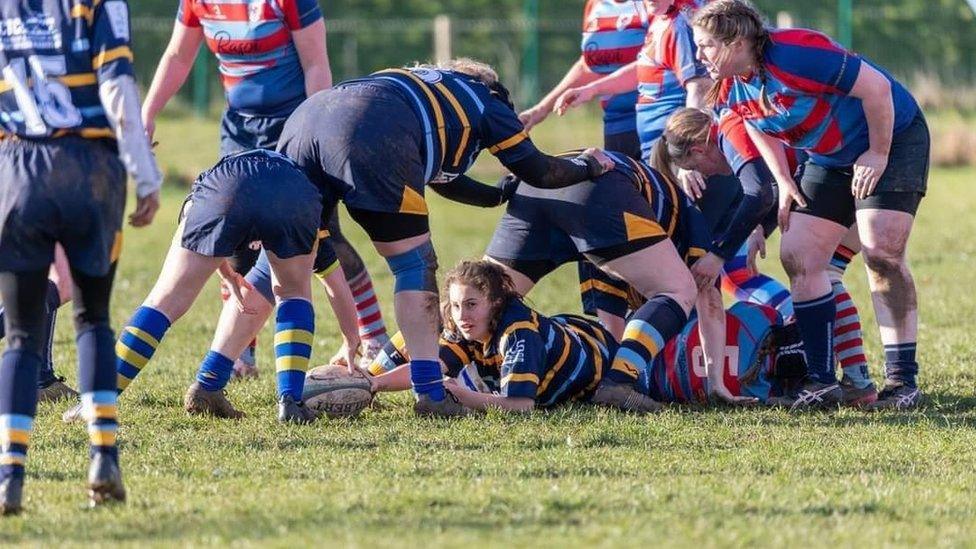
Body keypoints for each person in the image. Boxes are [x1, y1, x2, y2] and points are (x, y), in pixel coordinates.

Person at [275, 58, 616, 416]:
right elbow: (539, 170)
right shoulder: (487, 99)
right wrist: (588, 164)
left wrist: (498, 194)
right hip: (370, 129)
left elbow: (445, 178)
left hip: (306, 119)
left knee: (288, 269)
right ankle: (430, 395)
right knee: (414, 264)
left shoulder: (428, 90)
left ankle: (236, 383)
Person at [692, 0, 928, 409]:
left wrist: (877, 153)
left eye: (707, 45)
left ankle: (902, 382)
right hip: (829, 158)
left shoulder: (794, 54)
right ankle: (821, 381)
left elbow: (876, 88)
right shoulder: (729, 85)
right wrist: (784, 180)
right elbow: (752, 119)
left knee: (881, 252)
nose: (700, 55)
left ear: (736, 41)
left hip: (893, 137)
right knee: (798, 254)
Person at [141, 0, 390, 375]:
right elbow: (178, 55)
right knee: (234, 240)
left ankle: (372, 337)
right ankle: (242, 352)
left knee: (322, 234)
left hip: (294, 130)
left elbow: (316, 64)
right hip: (239, 134)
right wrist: (148, 113)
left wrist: (316, 130)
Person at [0, 0, 162, 513]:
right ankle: (103, 459)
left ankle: (10, 475)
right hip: (91, 170)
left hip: (18, 167)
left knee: (22, 335)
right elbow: (116, 83)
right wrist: (146, 173)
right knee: (92, 319)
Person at [647, 106, 879, 406]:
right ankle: (857, 383)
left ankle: (841, 379)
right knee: (828, 272)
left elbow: (761, 193)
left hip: (841, 174)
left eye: (698, 168)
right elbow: (768, 183)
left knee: (816, 273)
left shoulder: (729, 130)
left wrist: (718, 256)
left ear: (699, 150)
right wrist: (760, 225)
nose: (708, 175)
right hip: (850, 168)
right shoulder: (728, 128)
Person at [483, 151, 749, 409]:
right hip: (598, 186)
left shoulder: (629, 242)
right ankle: (620, 384)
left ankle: (444, 378)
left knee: (484, 297)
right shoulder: (690, 221)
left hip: (541, 181)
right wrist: (716, 383)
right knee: (679, 290)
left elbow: (612, 332)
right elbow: (710, 303)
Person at [366, 261, 809, 409]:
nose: (462, 316)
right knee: (433, 339)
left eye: (471, 305)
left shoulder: (517, 332)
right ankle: (359, 372)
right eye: (457, 306)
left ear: (496, 302)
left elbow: (519, 408)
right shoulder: (471, 325)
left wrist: (462, 397)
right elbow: (429, 366)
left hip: (600, 353)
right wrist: (371, 384)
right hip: (576, 333)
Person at [554, 0, 711, 162]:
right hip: (662, 148)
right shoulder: (663, 18)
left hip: (677, 151)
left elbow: (700, 88)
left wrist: (688, 154)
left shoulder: (682, 23)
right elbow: (644, 69)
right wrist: (591, 89)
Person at [519, 0, 650, 159]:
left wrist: (593, 89)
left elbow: (654, 61)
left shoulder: (655, 3)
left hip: (653, 119)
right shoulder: (594, 5)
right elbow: (588, 67)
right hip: (615, 123)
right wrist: (540, 109)